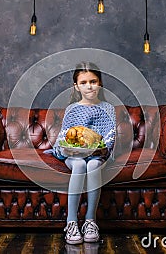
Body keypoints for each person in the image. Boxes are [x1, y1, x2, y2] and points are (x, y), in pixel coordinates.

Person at [52, 62, 116, 245]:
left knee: (94, 164)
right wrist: (67, 148)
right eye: (84, 82)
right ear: (77, 86)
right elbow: (65, 136)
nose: (89, 86)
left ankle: (90, 221)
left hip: (98, 154)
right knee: (80, 164)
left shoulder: (108, 108)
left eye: (93, 81)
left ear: (100, 83)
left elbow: (109, 139)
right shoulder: (72, 109)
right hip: (74, 155)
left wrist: (99, 148)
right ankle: (71, 222)